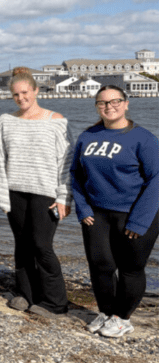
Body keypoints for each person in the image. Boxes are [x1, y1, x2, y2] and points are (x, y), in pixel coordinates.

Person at [71, 85, 159, 338]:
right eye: (103, 103)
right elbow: (76, 175)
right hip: (96, 214)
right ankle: (106, 312)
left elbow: (156, 180)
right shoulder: (87, 136)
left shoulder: (143, 138)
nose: (109, 107)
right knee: (100, 266)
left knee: (131, 268)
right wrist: (82, 208)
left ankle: (123, 318)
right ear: (97, 106)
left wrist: (139, 221)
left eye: (115, 101)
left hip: (135, 214)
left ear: (126, 103)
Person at [0, 68, 72, 317]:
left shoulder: (55, 121)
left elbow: (66, 162)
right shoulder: (5, 121)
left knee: (41, 245)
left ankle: (55, 302)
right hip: (15, 192)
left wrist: (64, 197)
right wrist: (2, 196)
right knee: (22, 245)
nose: (21, 98)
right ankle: (26, 294)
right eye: (16, 94)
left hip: (46, 193)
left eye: (25, 92)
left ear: (36, 90)